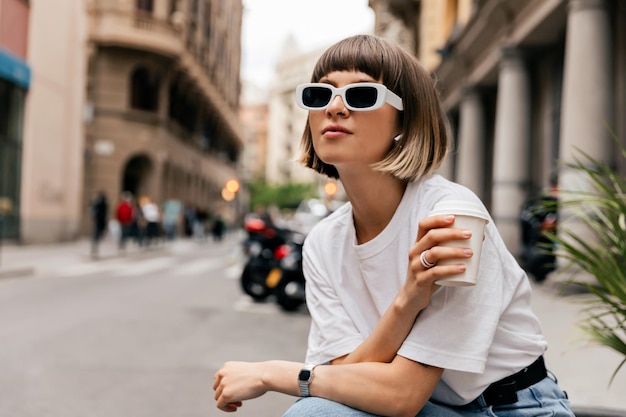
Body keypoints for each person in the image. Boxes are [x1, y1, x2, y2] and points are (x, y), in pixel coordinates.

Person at [213, 34, 574, 417]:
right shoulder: (323, 242)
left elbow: (402, 394)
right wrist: (406, 303)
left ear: (405, 121)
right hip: (431, 406)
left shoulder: (451, 217)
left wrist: (272, 374)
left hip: (511, 409)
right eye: (320, 95)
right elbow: (343, 378)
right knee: (320, 410)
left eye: (362, 95)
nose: (335, 108)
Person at [90, 190, 108, 257]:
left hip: (98, 220)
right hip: (99, 221)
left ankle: (95, 244)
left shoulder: (99, 203)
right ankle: (95, 244)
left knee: (96, 233)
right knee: (97, 233)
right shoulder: (102, 203)